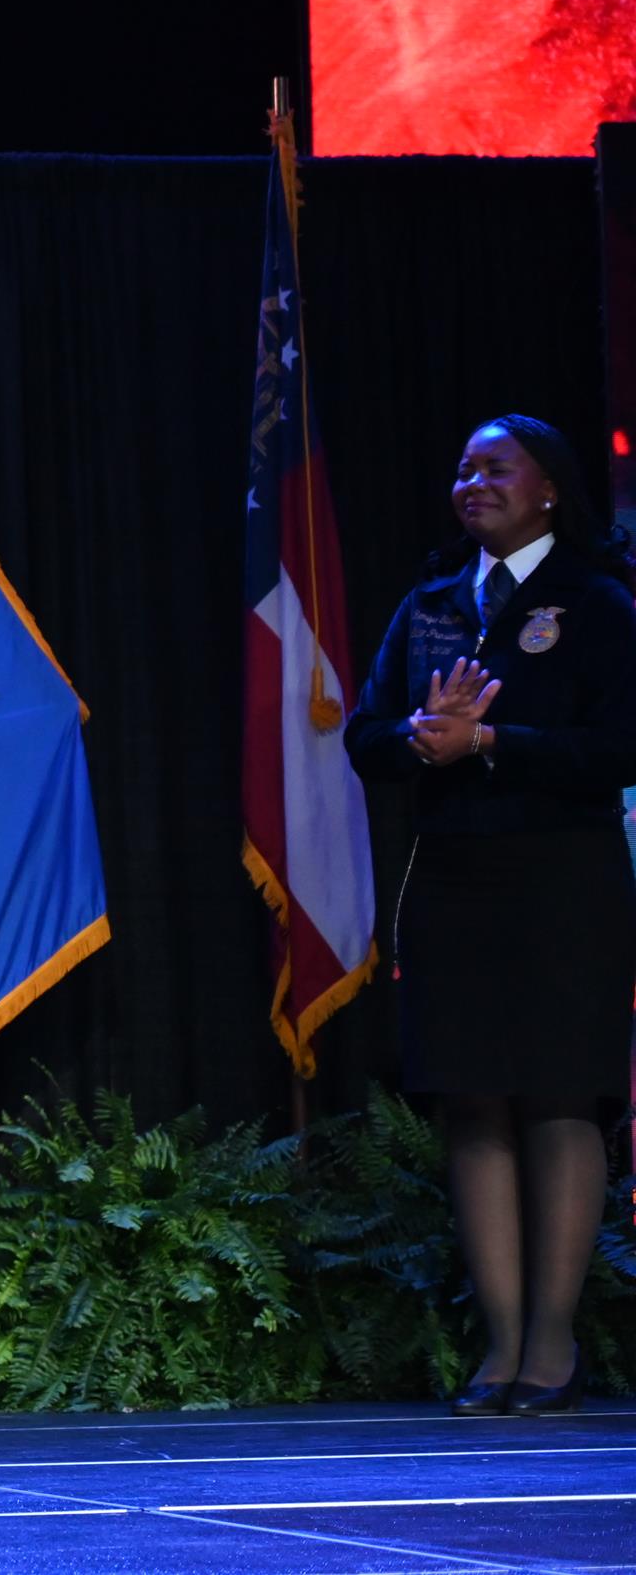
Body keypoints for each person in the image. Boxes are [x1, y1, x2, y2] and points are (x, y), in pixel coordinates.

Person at [346, 414, 636, 1417]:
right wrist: (420, 738)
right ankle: (500, 1343)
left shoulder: (598, 601)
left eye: (495, 468)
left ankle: (551, 1345)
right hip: (453, 879)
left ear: (548, 487)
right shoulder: (431, 601)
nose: (472, 483)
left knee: (557, 1098)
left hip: (564, 882)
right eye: (462, 470)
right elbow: (365, 734)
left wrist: (494, 740)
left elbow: (621, 748)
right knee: (470, 1099)